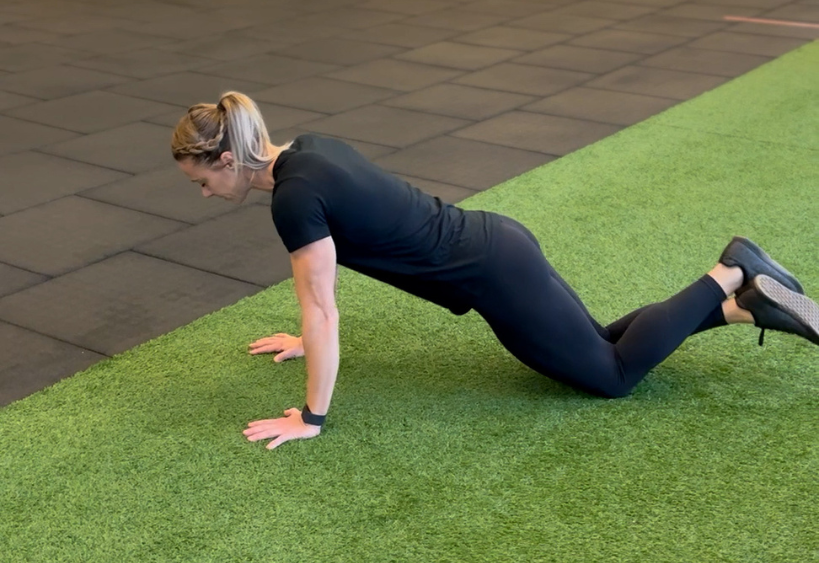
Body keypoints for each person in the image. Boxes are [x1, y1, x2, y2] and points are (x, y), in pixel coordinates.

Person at [171, 91, 818, 450]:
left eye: (202, 180)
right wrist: (303, 337)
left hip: (491, 276)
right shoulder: (309, 150)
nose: (204, 194)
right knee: (601, 341)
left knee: (613, 375)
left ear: (227, 159)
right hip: (497, 242)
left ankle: (729, 271)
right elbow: (321, 292)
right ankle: (742, 303)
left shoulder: (291, 200)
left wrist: (309, 417)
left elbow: (321, 307)